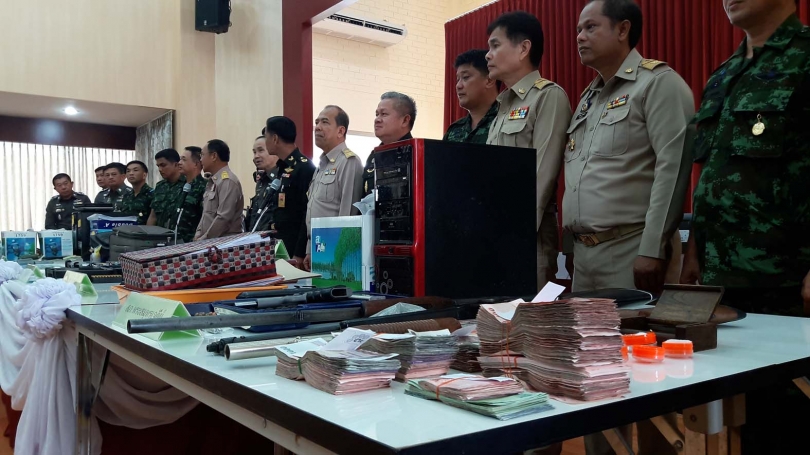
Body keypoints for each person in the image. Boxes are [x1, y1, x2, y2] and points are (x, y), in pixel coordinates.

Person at [564, 1, 695, 454]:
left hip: (632, 250)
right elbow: (578, 176)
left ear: (623, 29)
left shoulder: (658, 84)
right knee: (596, 374)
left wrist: (653, 247)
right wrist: (571, 247)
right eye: (578, 28)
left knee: (646, 373)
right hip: (586, 257)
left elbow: (673, 169)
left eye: (590, 27)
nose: (579, 36)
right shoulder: (587, 98)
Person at [682, 1, 810, 453]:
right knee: (747, 420)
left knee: (791, 417)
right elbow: (711, 173)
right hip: (724, 281)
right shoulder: (724, 74)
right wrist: (694, 251)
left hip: (786, 281)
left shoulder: (805, 58)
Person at [485, 11, 572, 288]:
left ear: (523, 48)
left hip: (527, 239)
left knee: (526, 313)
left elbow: (542, 177)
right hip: (495, 235)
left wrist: (513, 236)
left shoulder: (548, 96)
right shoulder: (503, 106)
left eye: (495, 45)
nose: (488, 55)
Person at [303, 106, 363, 271]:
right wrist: (309, 250)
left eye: (325, 122)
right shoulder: (321, 165)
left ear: (340, 131)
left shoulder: (348, 161)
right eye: (316, 122)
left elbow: (348, 215)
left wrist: (339, 256)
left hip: (336, 253)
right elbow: (313, 210)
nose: (317, 127)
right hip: (319, 247)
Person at [262, 117, 315, 267]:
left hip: (294, 248)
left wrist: (299, 252)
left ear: (275, 139)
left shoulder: (304, 168)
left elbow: (306, 213)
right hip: (279, 244)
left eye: (266, 137)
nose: (265, 142)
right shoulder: (282, 167)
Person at [363, 92, 417, 196]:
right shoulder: (374, 156)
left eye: (384, 114)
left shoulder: (416, 155)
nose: (377, 119)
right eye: (377, 114)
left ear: (405, 120)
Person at [443, 49, 500, 144]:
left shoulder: (505, 122)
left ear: (489, 81)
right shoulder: (454, 130)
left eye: (465, 77)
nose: (458, 86)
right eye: (458, 79)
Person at [194, 139, 244, 241]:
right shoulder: (213, 181)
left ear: (214, 156)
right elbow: (206, 215)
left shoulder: (227, 181)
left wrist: (204, 238)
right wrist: (198, 234)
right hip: (209, 242)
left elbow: (224, 217)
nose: (200, 160)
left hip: (224, 243)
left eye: (202, 155)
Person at [245, 135, 280, 233]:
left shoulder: (281, 179)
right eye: (254, 152)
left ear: (273, 151)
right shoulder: (261, 181)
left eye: (261, 150)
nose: (256, 156)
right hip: (256, 237)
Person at [147, 148, 186, 231]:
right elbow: (153, 216)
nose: (160, 169)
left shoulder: (188, 184)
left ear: (176, 165)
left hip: (180, 235)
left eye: (163, 165)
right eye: (158, 166)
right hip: (159, 235)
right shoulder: (160, 186)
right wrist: (148, 234)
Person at [177, 146, 207, 242]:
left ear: (196, 164)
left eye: (184, 159)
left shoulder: (204, 187)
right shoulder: (180, 186)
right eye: (180, 159)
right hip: (176, 240)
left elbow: (206, 217)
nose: (179, 163)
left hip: (194, 241)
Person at [120, 160, 154, 225]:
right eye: (128, 171)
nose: (131, 173)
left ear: (144, 175)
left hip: (145, 230)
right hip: (127, 230)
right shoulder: (127, 195)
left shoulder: (152, 194)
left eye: (135, 170)